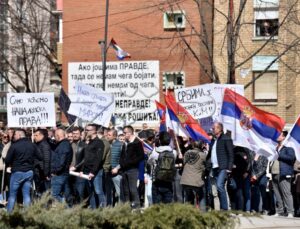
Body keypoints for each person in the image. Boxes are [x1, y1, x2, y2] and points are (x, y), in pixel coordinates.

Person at [5, 129, 41, 212]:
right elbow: (40, 157)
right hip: (29, 172)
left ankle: (9, 215)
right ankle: (28, 215)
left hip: (17, 172)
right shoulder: (32, 145)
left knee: (12, 195)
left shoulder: (14, 146)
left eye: (15, 135)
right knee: (26, 195)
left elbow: (7, 160)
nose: (14, 136)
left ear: (19, 135)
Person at [72, 124, 105, 209]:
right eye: (85, 130)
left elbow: (98, 159)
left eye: (88, 130)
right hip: (86, 171)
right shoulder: (89, 142)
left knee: (98, 191)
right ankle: (93, 210)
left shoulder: (99, 142)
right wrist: (82, 170)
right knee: (91, 192)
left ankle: (103, 209)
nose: (86, 131)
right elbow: (86, 158)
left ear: (94, 131)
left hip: (95, 171)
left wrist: (93, 172)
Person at [112, 125, 144, 208]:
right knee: (125, 190)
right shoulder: (125, 143)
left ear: (130, 133)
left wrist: (129, 162)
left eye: (125, 133)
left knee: (133, 189)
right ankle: (127, 208)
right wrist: (121, 165)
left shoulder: (137, 143)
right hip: (124, 170)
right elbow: (122, 156)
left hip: (133, 169)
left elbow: (141, 156)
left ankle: (136, 208)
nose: (124, 134)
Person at [206, 122, 233, 210]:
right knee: (217, 189)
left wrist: (229, 168)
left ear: (219, 129)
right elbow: (211, 154)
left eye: (214, 128)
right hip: (214, 167)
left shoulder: (226, 139)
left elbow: (230, 154)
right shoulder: (213, 140)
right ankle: (221, 207)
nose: (212, 130)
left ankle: (224, 209)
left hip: (223, 167)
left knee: (220, 186)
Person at [271, 130, 296, 217]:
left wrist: (279, 155)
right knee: (277, 193)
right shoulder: (275, 147)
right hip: (274, 172)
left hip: (284, 172)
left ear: (284, 137)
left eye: (280, 135)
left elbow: (291, 159)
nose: (277, 136)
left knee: (286, 193)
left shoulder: (289, 148)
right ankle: (280, 211)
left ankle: (290, 212)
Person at [148, 131, 176, 204]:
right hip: (168, 181)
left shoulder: (155, 152)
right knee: (168, 206)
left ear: (159, 140)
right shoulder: (173, 152)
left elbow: (149, 162)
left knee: (157, 207)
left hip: (157, 181)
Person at [180, 141, 206, 211]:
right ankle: (203, 214)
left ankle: (189, 214)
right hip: (196, 180)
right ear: (201, 146)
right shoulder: (203, 155)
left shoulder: (186, 153)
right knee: (202, 197)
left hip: (185, 180)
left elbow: (185, 163)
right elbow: (204, 167)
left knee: (188, 198)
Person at [51, 128, 73, 203]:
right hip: (63, 173)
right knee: (64, 195)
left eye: (55, 136)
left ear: (58, 135)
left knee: (55, 195)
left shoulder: (63, 146)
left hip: (60, 174)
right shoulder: (64, 144)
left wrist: (54, 171)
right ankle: (67, 210)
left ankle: (68, 211)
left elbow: (61, 162)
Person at [33, 129, 52, 195]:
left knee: (45, 193)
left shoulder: (44, 145)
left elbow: (46, 160)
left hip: (42, 173)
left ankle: (46, 205)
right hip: (38, 172)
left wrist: (46, 174)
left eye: (36, 135)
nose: (34, 137)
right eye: (34, 135)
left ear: (42, 136)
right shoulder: (38, 144)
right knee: (40, 192)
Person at [70, 127, 86, 203]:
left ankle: (80, 211)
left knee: (80, 193)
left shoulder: (84, 145)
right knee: (71, 193)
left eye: (77, 134)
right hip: (69, 172)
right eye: (74, 133)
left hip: (79, 172)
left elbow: (85, 159)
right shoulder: (69, 144)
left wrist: (76, 167)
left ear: (80, 135)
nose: (75, 135)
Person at [107, 129, 123, 204]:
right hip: (107, 172)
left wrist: (117, 168)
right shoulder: (106, 144)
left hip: (117, 173)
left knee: (120, 193)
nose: (107, 136)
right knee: (108, 193)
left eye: (109, 135)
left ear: (115, 136)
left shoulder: (120, 145)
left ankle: (121, 210)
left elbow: (123, 159)